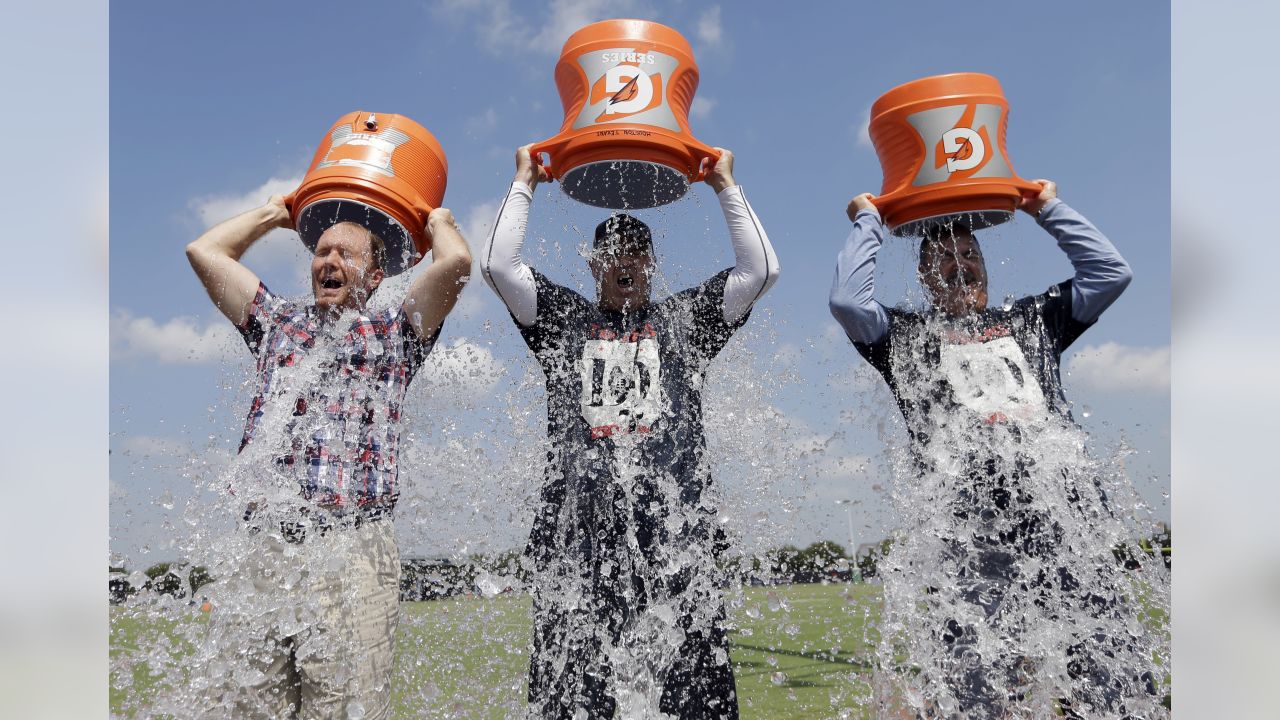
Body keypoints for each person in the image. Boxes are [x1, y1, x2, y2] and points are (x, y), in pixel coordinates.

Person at [829, 182, 1161, 718]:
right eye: (942, 258)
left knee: (1114, 684)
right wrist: (868, 220)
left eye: (968, 254)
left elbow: (1110, 273)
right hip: (967, 543)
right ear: (923, 277)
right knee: (975, 693)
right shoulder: (906, 337)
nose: (959, 266)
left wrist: (1043, 207)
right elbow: (848, 301)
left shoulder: (1035, 319)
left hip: (1064, 526)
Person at [481, 145, 779, 719]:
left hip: (676, 552)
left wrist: (724, 186)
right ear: (594, 265)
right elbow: (498, 267)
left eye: (639, 252)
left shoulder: (682, 322)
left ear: (652, 264)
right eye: (613, 252)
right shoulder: (565, 320)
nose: (627, 260)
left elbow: (760, 271)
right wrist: (524, 181)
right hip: (579, 554)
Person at [185, 193, 472, 719]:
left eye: (346, 254)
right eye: (321, 251)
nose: (329, 262)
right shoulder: (277, 324)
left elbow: (455, 263)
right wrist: (278, 213)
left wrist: (435, 220)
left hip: (353, 554)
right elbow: (204, 250)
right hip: (264, 549)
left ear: (378, 275)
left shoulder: (395, 335)